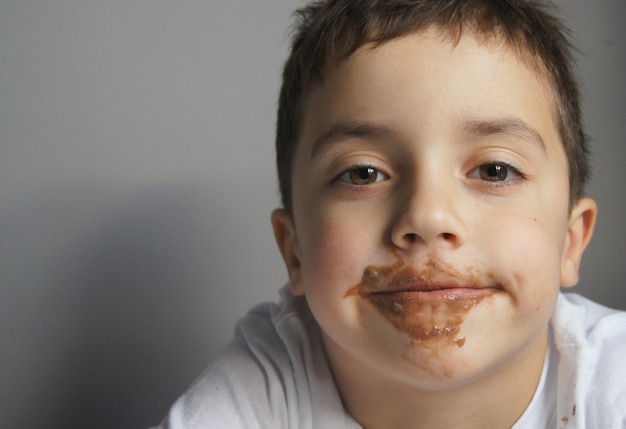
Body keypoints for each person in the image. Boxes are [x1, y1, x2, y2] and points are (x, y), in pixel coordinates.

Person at [153, 1, 626, 427]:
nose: (427, 215)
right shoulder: (266, 382)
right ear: (294, 250)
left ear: (570, 241)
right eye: (363, 174)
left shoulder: (613, 381)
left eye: (494, 169)